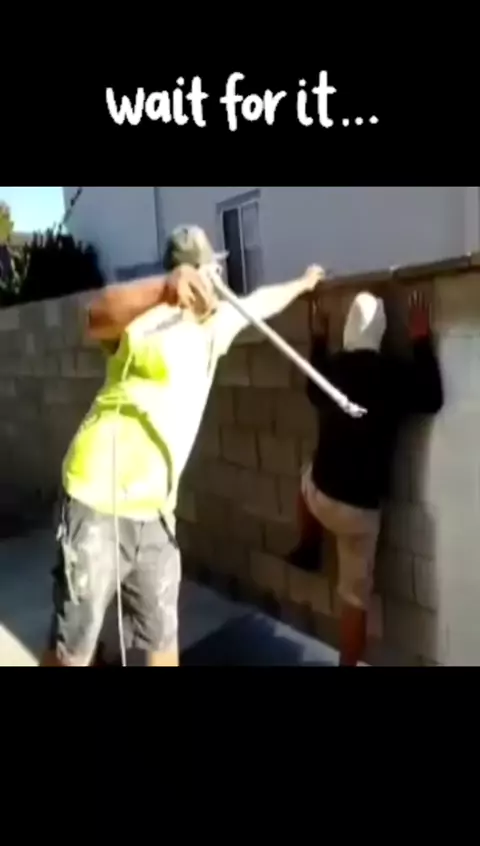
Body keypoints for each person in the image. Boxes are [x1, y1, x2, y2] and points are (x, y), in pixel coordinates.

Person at [40, 224, 323, 667]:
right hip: (98, 496)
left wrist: (303, 283)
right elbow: (94, 315)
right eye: (210, 270)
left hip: (156, 511)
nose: (217, 278)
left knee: (162, 640)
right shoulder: (144, 315)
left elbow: (260, 302)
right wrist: (164, 290)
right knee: (72, 650)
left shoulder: (216, 326)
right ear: (191, 271)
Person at [290, 288, 443, 667]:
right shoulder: (391, 374)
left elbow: (312, 388)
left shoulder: (334, 369)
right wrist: (420, 341)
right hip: (360, 514)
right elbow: (432, 398)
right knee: (354, 601)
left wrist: (318, 337)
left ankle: (308, 546)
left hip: (322, 496)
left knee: (304, 478)